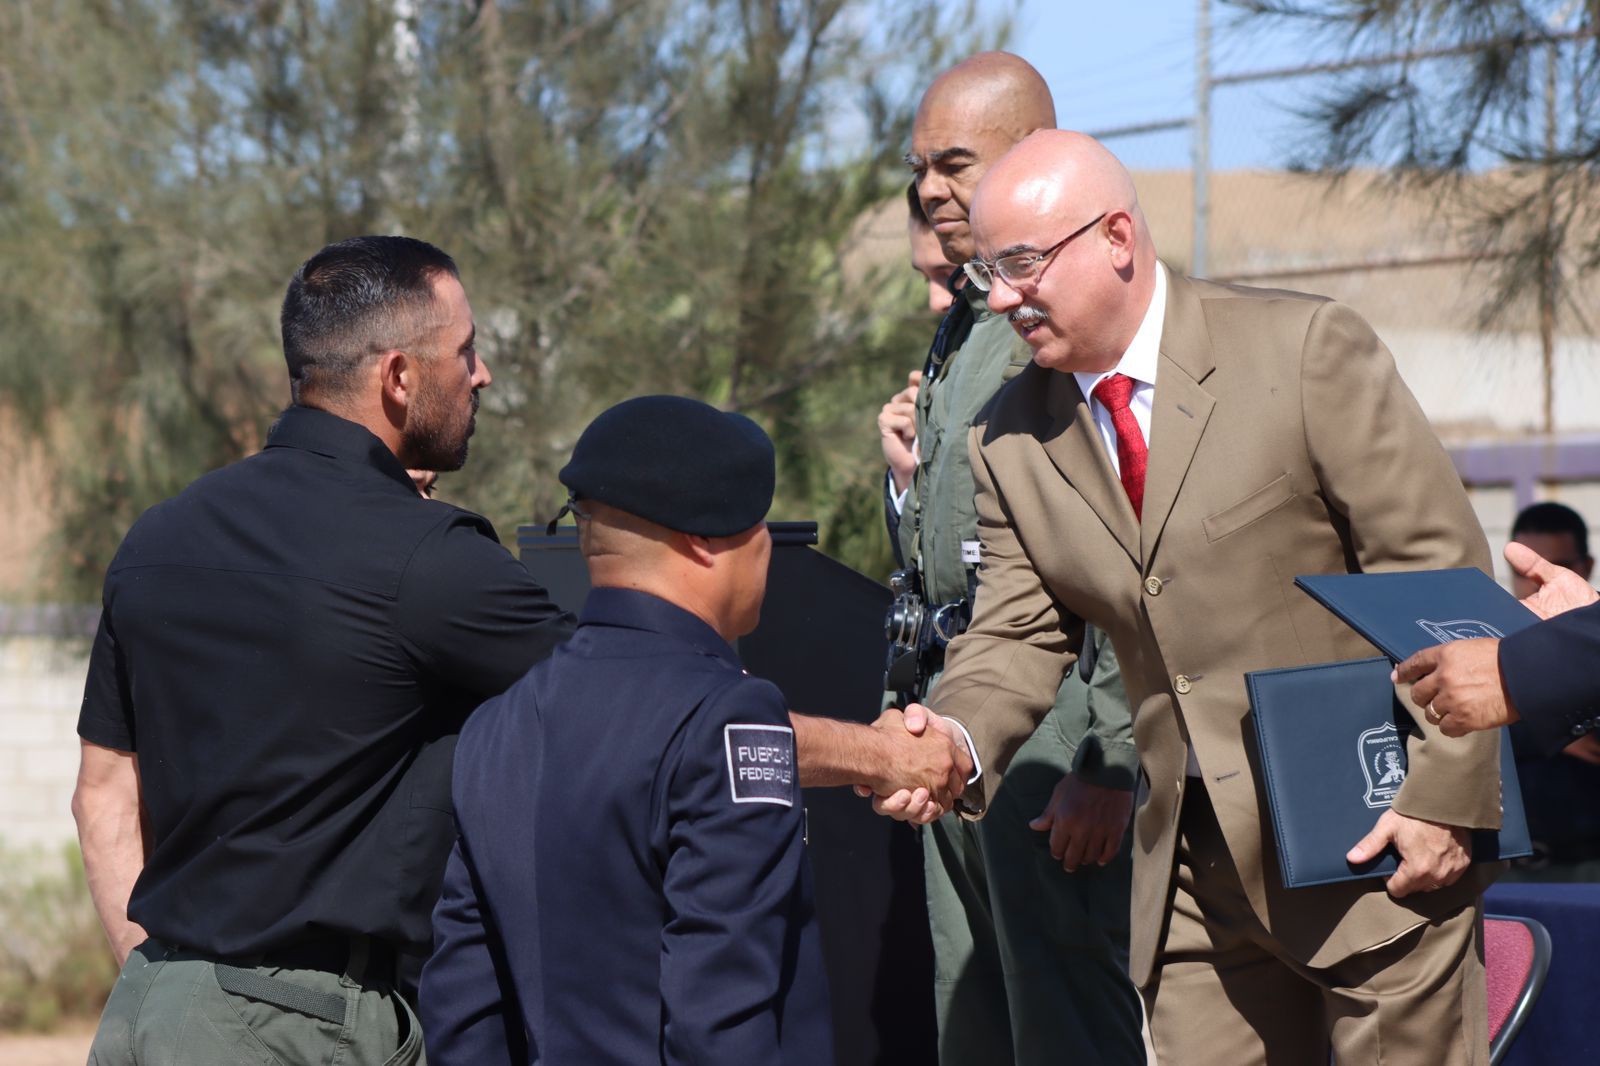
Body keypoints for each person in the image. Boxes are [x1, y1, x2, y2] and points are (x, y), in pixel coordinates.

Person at [880, 130, 1505, 1065]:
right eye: (986, 275)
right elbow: (1015, 632)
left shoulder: (1301, 350)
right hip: (1190, 887)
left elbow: (1438, 579)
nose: (1003, 297)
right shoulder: (1005, 438)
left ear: (1118, 237)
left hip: (1378, 847)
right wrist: (954, 743)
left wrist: (1448, 799)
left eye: (1020, 265)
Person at [72, 235, 576, 1066]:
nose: (480, 373)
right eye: (466, 351)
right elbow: (642, 708)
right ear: (399, 378)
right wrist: (865, 749)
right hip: (295, 1027)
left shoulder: (157, 538)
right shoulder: (425, 557)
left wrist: (167, 978)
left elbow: (101, 795)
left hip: (147, 1007)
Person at [421, 395, 834, 1066]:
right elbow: (721, 1023)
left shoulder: (499, 726)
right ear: (707, 537)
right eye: (759, 526)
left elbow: (464, 1010)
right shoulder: (731, 716)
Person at [878, 53, 1143, 1066]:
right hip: (965, 707)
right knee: (973, 1010)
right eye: (920, 167)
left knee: (1064, 1011)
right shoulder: (969, 322)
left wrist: (1107, 758)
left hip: (1052, 729)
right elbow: (951, 548)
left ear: (1028, 155)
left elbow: (1129, 548)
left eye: (954, 163)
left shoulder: (1063, 322)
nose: (929, 189)